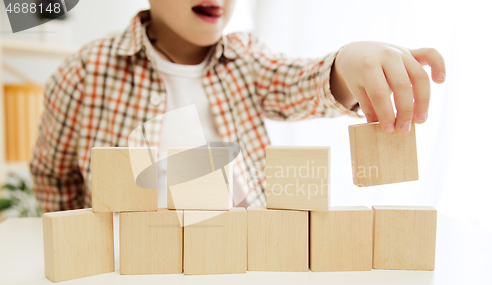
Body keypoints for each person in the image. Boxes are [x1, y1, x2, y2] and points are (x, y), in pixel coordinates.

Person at [30, 0, 446, 212]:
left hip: (242, 266)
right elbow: (54, 177)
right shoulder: (85, 71)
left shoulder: (247, 59)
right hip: (132, 271)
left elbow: (303, 81)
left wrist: (349, 61)